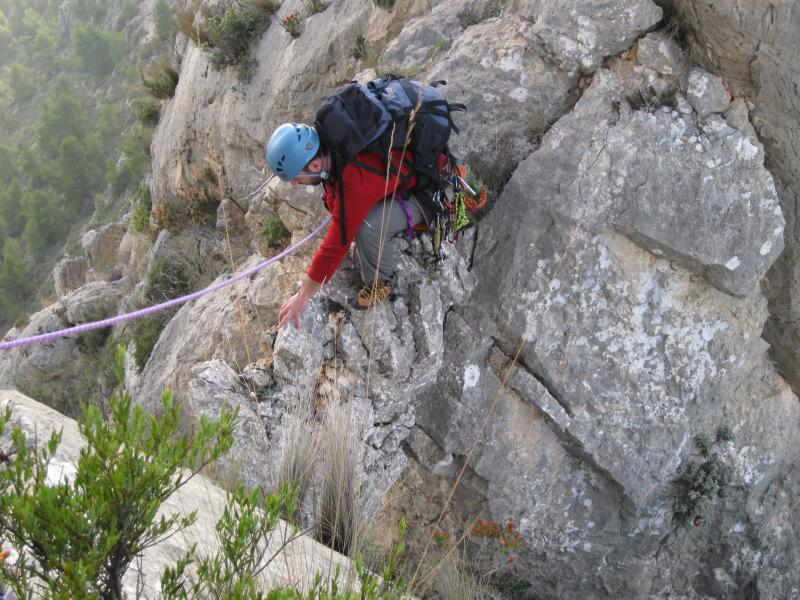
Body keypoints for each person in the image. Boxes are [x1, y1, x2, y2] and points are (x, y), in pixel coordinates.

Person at [267, 122, 433, 328]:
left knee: (365, 225)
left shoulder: (352, 178)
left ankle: (381, 282)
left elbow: (337, 245)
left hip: (427, 192)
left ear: (315, 166)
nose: (294, 183)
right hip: (407, 179)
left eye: (296, 177)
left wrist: (303, 296)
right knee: (355, 219)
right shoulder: (332, 149)